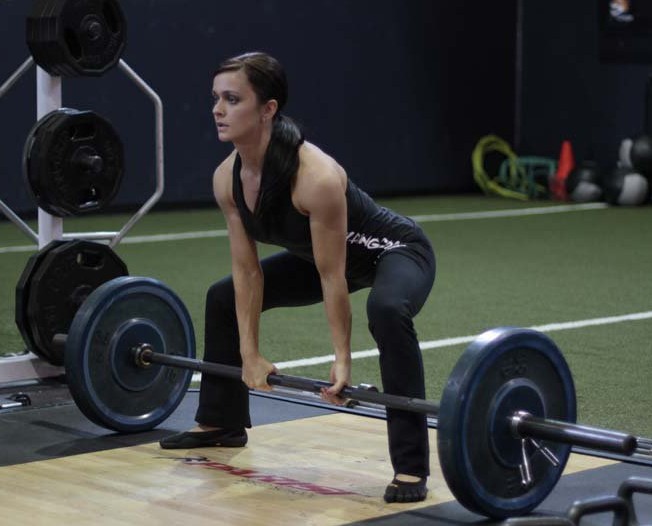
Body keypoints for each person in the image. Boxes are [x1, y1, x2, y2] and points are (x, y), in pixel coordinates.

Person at [160, 51, 436, 504]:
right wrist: (250, 355)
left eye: (233, 99)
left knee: (386, 309)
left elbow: (334, 277)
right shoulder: (225, 178)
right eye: (215, 98)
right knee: (222, 296)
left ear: (268, 110)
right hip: (321, 260)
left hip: (393, 251)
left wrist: (342, 360)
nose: (218, 109)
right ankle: (220, 422)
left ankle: (410, 466)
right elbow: (247, 270)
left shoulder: (316, 177)